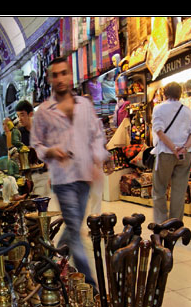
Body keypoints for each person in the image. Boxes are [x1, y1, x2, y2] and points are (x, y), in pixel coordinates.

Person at [30, 56, 113, 289]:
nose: (60, 79)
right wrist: (50, 151)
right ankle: (90, 283)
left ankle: (53, 262)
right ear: (49, 79)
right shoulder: (44, 111)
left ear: (70, 75)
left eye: (63, 73)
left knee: (73, 225)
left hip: (84, 175)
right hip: (63, 178)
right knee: (76, 231)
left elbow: (97, 134)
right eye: (55, 75)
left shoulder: (85, 106)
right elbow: (36, 145)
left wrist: (98, 158)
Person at [150, 81, 191, 224]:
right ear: (180, 93)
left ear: (165, 93)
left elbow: (158, 131)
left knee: (159, 189)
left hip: (166, 153)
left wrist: (173, 148)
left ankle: (161, 222)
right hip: (185, 154)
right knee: (179, 190)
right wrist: (183, 148)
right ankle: (175, 224)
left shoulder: (158, 109)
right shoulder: (187, 110)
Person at [15, 100, 51, 197]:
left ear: (30, 114)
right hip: (26, 178)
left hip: (43, 175)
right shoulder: (18, 134)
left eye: (22, 115)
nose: (20, 119)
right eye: (18, 116)